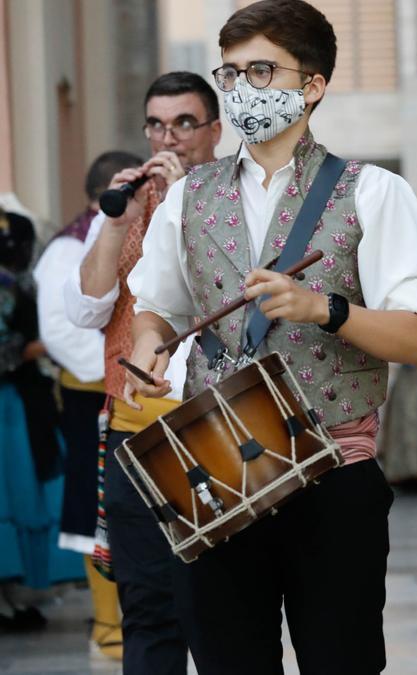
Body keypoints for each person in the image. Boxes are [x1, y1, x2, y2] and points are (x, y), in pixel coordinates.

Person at [122, 1, 417, 672]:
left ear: (312, 86)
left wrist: (321, 306)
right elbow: (156, 309)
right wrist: (151, 348)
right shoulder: (189, 197)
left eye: (263, 71)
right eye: (232, 73)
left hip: (333, 474)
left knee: (341, 661)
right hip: (215, 467)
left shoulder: (374, 192)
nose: (244, 89)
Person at [63, 71, 221, 675]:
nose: (168, 137)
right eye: (157, 124)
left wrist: (183, 207)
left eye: (184, 123)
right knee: (148, 611)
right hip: (133, 435)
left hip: (214, 429)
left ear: (213, 128)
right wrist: (115, 222)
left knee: (218, 611)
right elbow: (86, 307)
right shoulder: (130, 205)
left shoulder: (235, 202)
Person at [35, 150, 143, 659]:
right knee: (93, 505)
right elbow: (60, 329)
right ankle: (107, 622)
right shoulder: (68, 247)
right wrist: (118, 367)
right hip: (93, 392)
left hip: (139, 389)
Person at [0, 207, 79, 631]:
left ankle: (12, 598)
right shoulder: (9, 286)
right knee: (13, 495)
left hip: (18, 404)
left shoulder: (15, 284)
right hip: (8, 409)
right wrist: (33, 349)